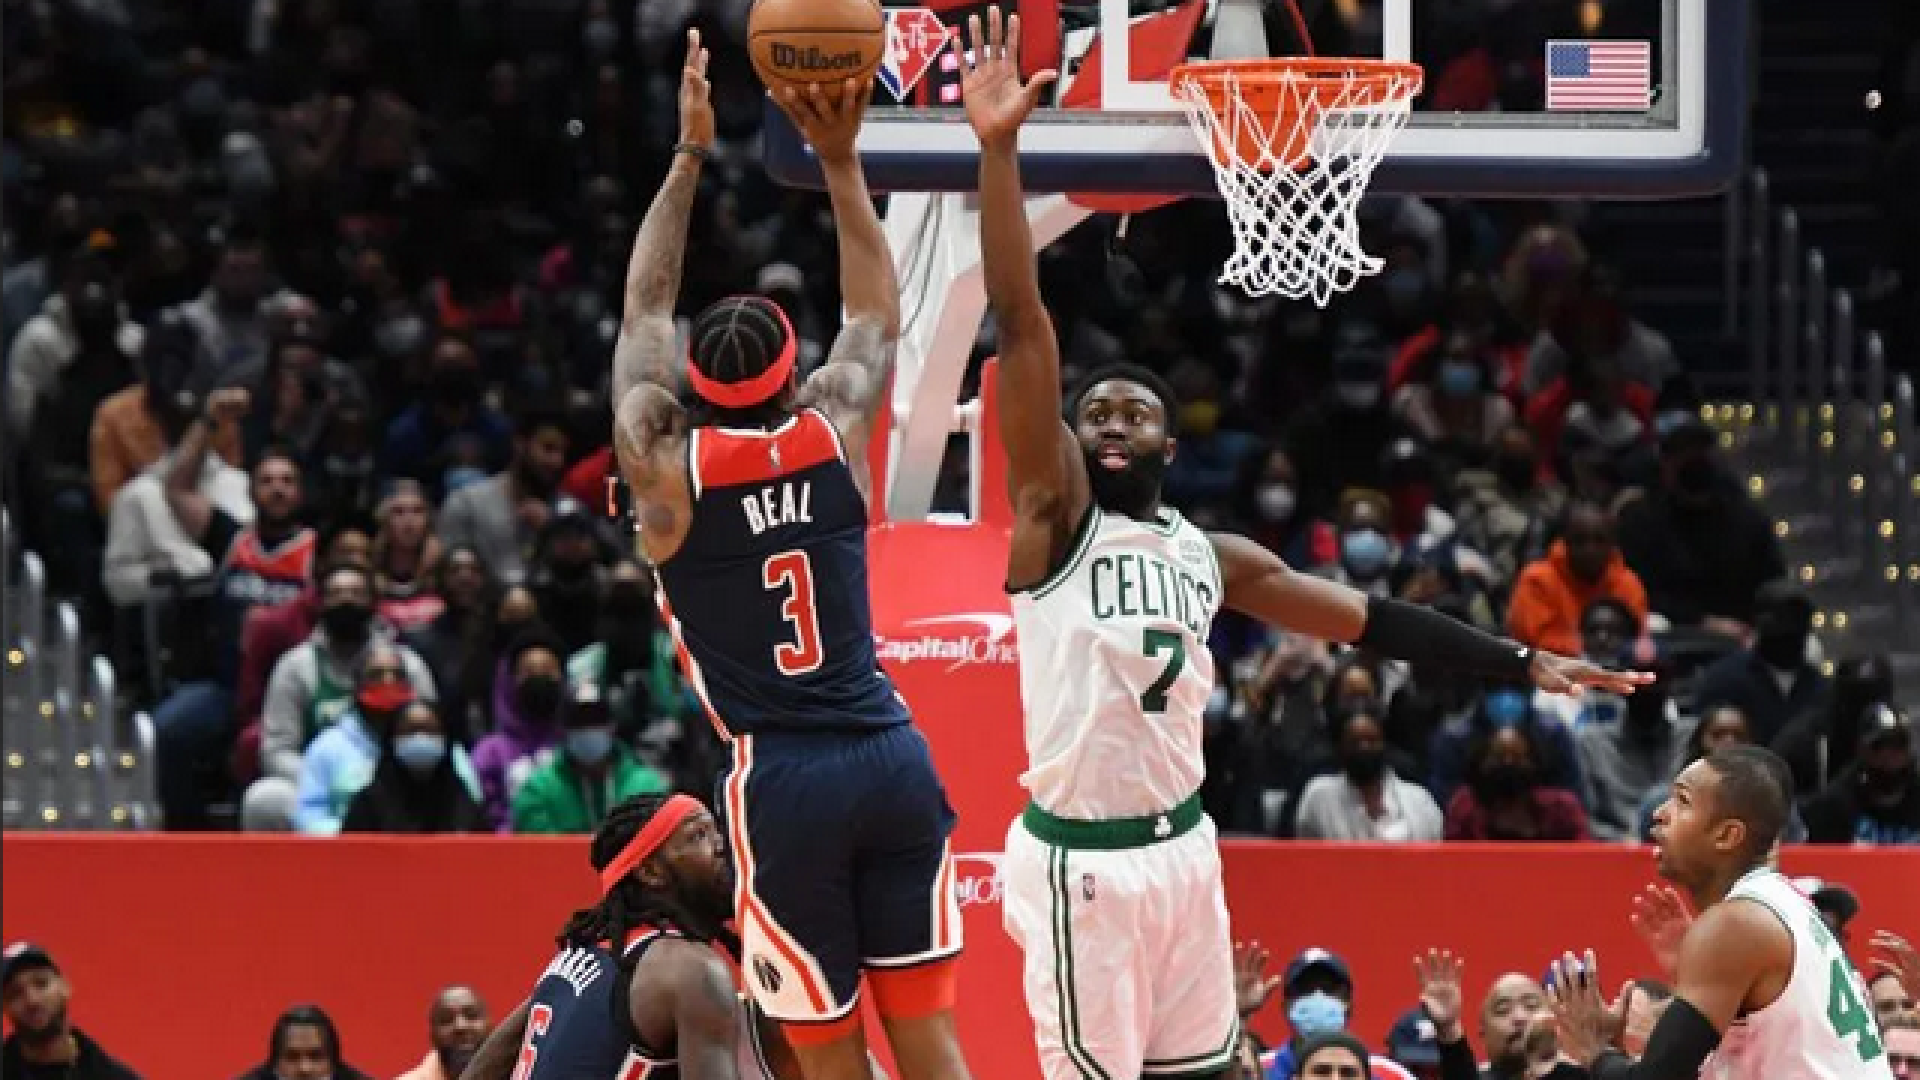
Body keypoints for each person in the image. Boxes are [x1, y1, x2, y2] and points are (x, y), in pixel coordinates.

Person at [955, 10, 1645, 1080]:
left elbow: (1371, 621)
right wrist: (999, 154)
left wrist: (1520, 660)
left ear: (1173, 446)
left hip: (1185, 850)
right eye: (1097, 414)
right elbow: (1020, 316)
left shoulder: (1214, 557)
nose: (1115, 422)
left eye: (1138, 412)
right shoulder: (1053, 524)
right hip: (1083, 864)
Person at [605, 33, 965, 1080]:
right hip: (892, 752)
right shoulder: (833, 427)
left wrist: (689, 153)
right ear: (788, 370)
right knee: (931, 1041)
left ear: (693, 389)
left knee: (828, 1053)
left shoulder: (664, 466)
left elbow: (643, 312)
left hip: (786, 777)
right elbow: (873, 315)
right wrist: (842, 162)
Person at [458, 794, 872, 1080]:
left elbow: (482, 1069)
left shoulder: (578, 958)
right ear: (651, 872)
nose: (723, 847)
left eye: (718, 832)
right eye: (698, 836)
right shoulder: (690, 970)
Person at [1547, 744, 1895, 1079]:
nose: (1660, 813)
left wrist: (1594, 1049)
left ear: (1727, 835)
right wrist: (1689, 976)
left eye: (1682, 800)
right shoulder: (1788, 905)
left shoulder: (1736, 924)